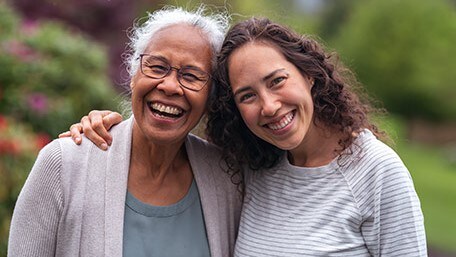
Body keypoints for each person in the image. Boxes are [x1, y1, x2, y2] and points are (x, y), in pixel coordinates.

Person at [64, 18, 427, 256]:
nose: (269, 107)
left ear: (310, 75)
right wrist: (105, 123)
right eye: (247, 96)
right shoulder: (253, 167)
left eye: (277, 81)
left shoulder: (376, 172)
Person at [8, 6, 241, 257]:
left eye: (192, 76)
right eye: (157, 67)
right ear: (133, 75)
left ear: (211, 96)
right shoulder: (63, 165)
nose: (170, 86)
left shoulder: (228, 178)